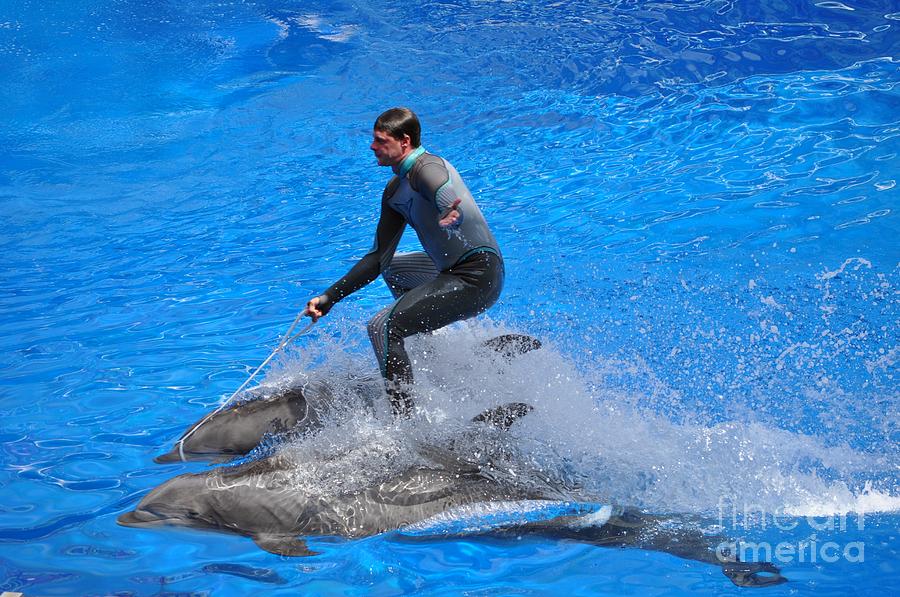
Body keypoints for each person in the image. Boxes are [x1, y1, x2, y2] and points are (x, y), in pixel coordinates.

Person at [305, 107, 504, 417]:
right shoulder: (394, 191)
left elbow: (444, 192)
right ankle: (436, 355)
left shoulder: (427, 168)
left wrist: (450, 213)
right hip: (449, 272)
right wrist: (330, 296)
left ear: (405, 141)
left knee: (382, 326)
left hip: (478, 276)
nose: (372, 147)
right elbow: (376, 260)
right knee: (394, 267)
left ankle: (407, 428)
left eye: (380, 140)